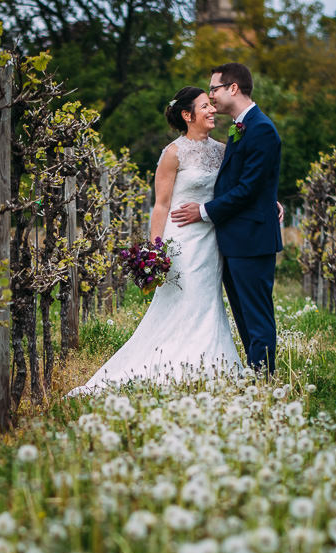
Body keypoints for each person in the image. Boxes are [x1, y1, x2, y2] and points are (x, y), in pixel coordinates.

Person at [69, 86, 241, 395]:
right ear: (188, 115)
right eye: (204, 106)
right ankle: (174, 366)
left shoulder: (222, 150)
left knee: (208, 301)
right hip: (181, 241)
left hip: (211, 239)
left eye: (211, 105)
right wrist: (154, 249)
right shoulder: (173, 153)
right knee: (183, 300)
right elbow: (161, 204)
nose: (212, 110)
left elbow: (237, 190)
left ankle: (211, 365)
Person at [171, 62, 282, 373]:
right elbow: (246, 180)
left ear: (233, 88)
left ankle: (264, 379)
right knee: (244, 316)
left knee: (257, 316)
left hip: (252, 240)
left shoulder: (260, 129)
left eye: (214, 89)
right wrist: (270, 199)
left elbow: (248, 188)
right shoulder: (241, 126)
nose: (211, 96)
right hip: (235, 240)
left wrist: (203, 211)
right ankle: (256, 374)